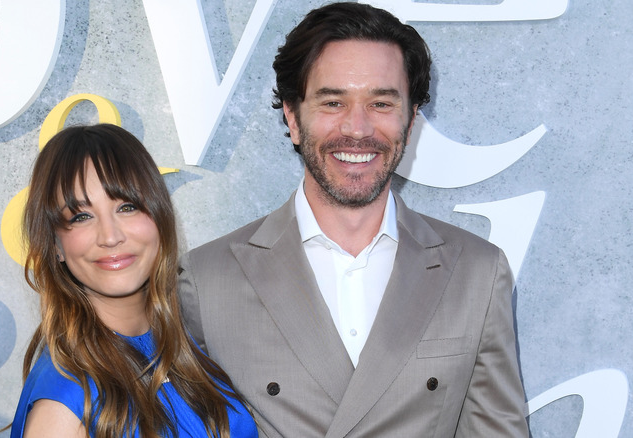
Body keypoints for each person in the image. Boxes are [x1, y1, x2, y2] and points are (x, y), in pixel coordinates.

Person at [178, 3, 529, 437]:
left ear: (411, 117)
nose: (358, 128)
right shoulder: (206, 280)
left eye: (381, 103)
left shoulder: (476, 271)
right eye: (333, 102)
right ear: (292, 116)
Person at [10, 124, 257, 438]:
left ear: (159, 218)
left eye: (127, 207)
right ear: (56, 244)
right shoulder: (65, 406)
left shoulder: (184, 342)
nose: (111, 236)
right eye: (81, 216)